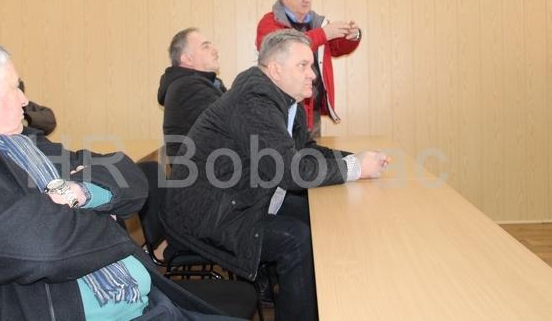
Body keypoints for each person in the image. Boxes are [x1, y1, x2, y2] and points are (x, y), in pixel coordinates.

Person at [0, 39, 238, 321]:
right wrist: (103, 216)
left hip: (148, 305)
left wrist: (79, 193)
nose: (25, 100)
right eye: (16, 87)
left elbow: (126, 172)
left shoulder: (27, 146)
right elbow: (42, 250)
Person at [161, 30, 389, 321]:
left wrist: (356, 160)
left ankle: (336, 302)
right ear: (276, 70)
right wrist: (356, 168)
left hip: (240, 197)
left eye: (311, 66)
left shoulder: (284, 100)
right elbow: (290, 170)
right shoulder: (254, 99)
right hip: (208, 212)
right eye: (303, 66)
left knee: (322, 215)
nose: (312, 75)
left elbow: (305, 150)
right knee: (297, 239)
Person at [256, 0, 362, 137]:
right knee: (280, 152)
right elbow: (279, 48)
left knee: (312, 152)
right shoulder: (269, 22)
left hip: (312, 110)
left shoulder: (318, 23)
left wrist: (353, 36)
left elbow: (337, 48)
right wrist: (324, 33)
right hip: (280, 107)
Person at [158, 28, 226, 156]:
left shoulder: (207, 84)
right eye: (205, 47)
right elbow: (230, 126)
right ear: (187, 59)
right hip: (202, 167)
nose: (215, 50)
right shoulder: (187, 87)